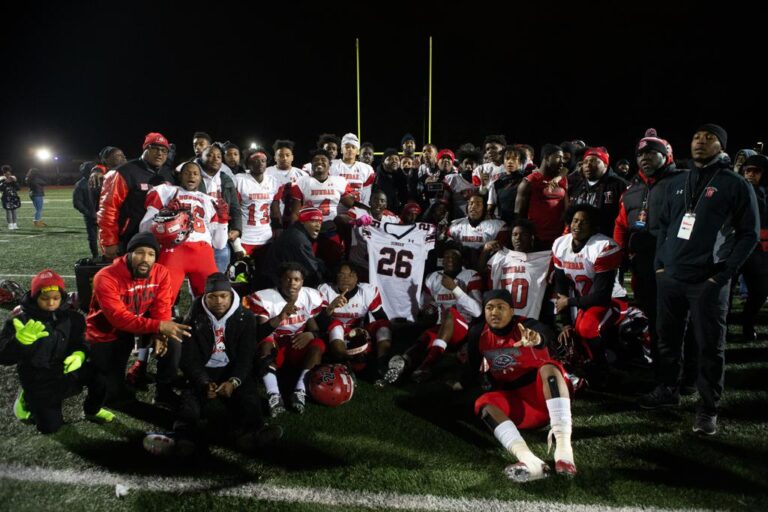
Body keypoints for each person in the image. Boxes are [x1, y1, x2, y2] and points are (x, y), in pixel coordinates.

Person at [640, 125, 759, 436]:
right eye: (695, 137)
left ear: (721, 146)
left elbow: (749, 234)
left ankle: (707, 408)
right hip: (672, 276)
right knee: (667, 338)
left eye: (709, 138)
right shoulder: (679, 180)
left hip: (708, 279)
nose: (700, 142)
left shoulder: (735, 184)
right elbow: (665, 224)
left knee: (710, 346)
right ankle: (668, 388)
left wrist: (723, 274)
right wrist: (660, 265)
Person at [151, 273, 282, 454]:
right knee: (190, 400)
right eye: (212, 297)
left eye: (223, 296)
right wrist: (203, 382)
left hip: (231, 368)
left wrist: (234, 381)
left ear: (230, 295)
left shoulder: (246, 317)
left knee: (248, 395)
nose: (218, 301)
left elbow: (246, 356)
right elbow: (189, 358)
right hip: (205, 369)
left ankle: (252, 433)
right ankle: (184, 438)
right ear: (205, 297)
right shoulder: (195, 316)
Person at [462, 289, 576, 481]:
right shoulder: (478, 333)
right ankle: (530, 461)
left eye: (500, 307)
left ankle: (564, 451)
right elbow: (472, 367)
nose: (494, 312)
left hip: (546, 398)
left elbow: (545, 334)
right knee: (484, 403)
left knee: (549, 368)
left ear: (512, 310)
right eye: (489, 307)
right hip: (518, 406)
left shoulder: (527, 325)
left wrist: (537, 339)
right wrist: (459, 382)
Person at [85, 232, 192, 408]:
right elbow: (118, 319)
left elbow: (162, 307)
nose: (145, 259)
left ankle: (164, 390)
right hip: (107, 332)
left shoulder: (161, 272)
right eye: (140, 253)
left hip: (141, 323)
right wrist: (158, 326)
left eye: (151, 254)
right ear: (129, 254)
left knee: (173, 338)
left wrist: (160, 334)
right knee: (112, 394)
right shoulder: (106, 277)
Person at [0, 269, 112, 433]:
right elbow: (3, 356)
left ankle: (92, 410)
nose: (51, 303)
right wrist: (19, 342)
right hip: (38, 377)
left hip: (66, 368)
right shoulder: (19, 320)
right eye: (44, 298)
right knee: (50, 428)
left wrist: (79, 355)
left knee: (102, 378)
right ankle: (26, 399)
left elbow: (84, 340)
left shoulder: (74, 317)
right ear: (35, 297)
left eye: (56, 298)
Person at [613, 134, 682, 364]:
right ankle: (658, 360)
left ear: (666, 155)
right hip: (642, 263)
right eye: (640, 154)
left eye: (651, 153)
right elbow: (621, 225)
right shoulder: (631, 190)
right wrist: (619, 254)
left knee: (676, 317)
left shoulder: (683, 181)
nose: (644, 158)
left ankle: (681, 365)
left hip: (674, 262)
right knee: (649, 312)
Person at [553, 204, 626, 386]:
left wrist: (569, 302)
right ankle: (601, 357)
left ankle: (602, 367)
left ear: (593, 226)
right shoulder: (560, 244)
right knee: (570, 333)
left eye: (584, 222)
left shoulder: (603, 246)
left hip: (611, 300)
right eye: (575, 220)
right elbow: (560, 286)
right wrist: (565, 324)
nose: (578, 225)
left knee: (586, 328)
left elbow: (601, 295)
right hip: (581, 300)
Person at [387, 245, 482, 383]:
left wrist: (455, 289)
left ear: (462, 261)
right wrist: (427, 308)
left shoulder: (471, 275)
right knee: (427, 336)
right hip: (441, 328)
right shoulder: (433, 278)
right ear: (441, 261)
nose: (449, 260)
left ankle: (427, 365)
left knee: (450, 313)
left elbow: (478, 311)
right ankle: (403, 362)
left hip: (464, 329)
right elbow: (423, 305)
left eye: (454, 257)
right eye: (446, 257)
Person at [139, 161, 228, 301]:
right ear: (180, 176)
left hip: (203, 253)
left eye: (195, 173)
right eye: (187, 172)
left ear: (200, 178)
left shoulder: (210, 201)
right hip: (173, 250)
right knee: (161, 299)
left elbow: (219, 244)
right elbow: (144, 228)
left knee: (211, 300)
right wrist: (165, 214)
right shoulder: (166, 192)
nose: (191, 176)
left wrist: (223, 221)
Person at [247, 262, 327, 416]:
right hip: (275, 344)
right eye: (288, 279)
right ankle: (274, 395)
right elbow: (260, 333)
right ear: (280, 280)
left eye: (297, 279)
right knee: (266, 342)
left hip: (296, 342)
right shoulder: (265, 298)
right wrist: (280, 317)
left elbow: (319, 327)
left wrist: (312, 334)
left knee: (318, 344)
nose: (292, 283)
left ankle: (300, 391)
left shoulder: (310, 296)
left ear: (302, 282)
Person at [98, 132, 175, 258]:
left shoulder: (168, 174)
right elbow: (108, 209)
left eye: (164, 150)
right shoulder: (124, 172)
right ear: (145, 149)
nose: (160, 153)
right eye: (154, 148)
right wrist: (109, 241)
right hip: (129, 238)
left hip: (160, 238)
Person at [317, 262, 393, 379]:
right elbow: (320, 324)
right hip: (334, 335)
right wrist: (331, 307)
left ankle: (382, 362)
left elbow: (381, 318)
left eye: (351, 275)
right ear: (335, 276)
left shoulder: (367, 292)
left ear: (357, 277)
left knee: (383, 325)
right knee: (336, 325)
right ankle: (344, 364)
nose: (346, 279)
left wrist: (376, 335)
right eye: (342, 275)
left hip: (358, 331)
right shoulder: (325, 290)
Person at [485, 219, 553, 321]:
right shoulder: (501, 257)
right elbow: (481, 272)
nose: (518, 238)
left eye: (523, 235)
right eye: (514, 234)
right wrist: (485, 251)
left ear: (532, 237)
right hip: (502, 319)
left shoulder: (545, 260)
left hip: (528, 321)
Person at [198, 145, 243, 272]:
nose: (215, 159)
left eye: (218, 156)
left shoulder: (225, 178)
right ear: (201, 158)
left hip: (221, 234)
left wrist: (237, 229)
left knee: (219, 277)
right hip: (200, 235)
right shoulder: (194, 176)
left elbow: (235, 207)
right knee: (199, 279)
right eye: (210, 155)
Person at [234, 147, 282, 264]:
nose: (259, 163)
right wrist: (236, 243)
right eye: (255, 161)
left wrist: (278, 231)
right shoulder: (239, 180)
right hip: (245, 237)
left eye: (262, 160)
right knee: (242, 277)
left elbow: (275, 211)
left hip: (266, 237)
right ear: (248, 164)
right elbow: (234, 211)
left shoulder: (273, 182)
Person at [515, 144, 569, 250]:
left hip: (559, 238)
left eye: (563, 158)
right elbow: (519, 215)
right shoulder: (529, 181)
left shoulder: (563, 179)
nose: (562, 161)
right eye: (558, 157)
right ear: (546, 157)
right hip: (537, 239)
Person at [568, 147, 627, 237]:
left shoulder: (619, 185)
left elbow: (624, 219)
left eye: (594, 161)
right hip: (579, 238)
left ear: (605, 165)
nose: (588, 165)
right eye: (585, 162)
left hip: (605, 239)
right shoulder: (577, 185)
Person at [739, 154, 768, 340]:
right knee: (722, 292)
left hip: (759, 249)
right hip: (735, 246)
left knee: (760, 291)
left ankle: (747, 324)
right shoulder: (737, 189)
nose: (750, 174)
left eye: (756, 171)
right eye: (747, 170)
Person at [261, 206, 326, 288]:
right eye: (313, 221)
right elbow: (313, 270)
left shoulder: (295, 231)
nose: (318, 225)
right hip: (275, 285)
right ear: (303, 222)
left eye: (320, 222)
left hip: (276, 281)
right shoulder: (299, 240)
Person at [330, 133, 375, 207]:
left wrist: (363, 210)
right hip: (336, 209)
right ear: (341, 150)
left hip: (357, 209)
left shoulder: (366, 169)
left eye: (353, 147)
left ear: (357, 151)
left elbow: (366, 195)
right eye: (347, 147)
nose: (350, 149)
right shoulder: (332, 165)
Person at [487, 146, 526, 224]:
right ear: (503, 161)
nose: (510, 161)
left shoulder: (526, 180)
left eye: (514, 159)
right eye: (507, 158)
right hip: (503, 225)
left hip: (521, 225)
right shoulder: (496, 183)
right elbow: (490, 209)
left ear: (520, 162)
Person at [73, 161, 101, 257]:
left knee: (93, 238)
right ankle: (108, 256)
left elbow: (77, 203)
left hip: (92, 216)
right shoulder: (103, 180)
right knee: (109, 235)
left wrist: (89, 213)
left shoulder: (80, 184)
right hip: (103, 215)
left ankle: (96, 256)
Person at [373, 148, 408, 214]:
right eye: (390, 159)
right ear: (383, 163)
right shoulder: (376, 177)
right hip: (382, 215)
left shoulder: (402, 176)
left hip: (400, 215)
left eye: (396, 159)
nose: (394, 161)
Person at [1, 165, 21, 230]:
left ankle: (15, 224)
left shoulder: (13, 179)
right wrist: (5, 182)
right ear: (4, 173)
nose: (8, 175)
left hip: (13, 196)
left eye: (9, 173)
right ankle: (10, 224)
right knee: (8, 211)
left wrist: (14, 181)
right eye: (6, 173)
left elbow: (18, 188)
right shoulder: (1, 179)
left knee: (14, 210)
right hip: (6, 197)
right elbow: (0, 188)